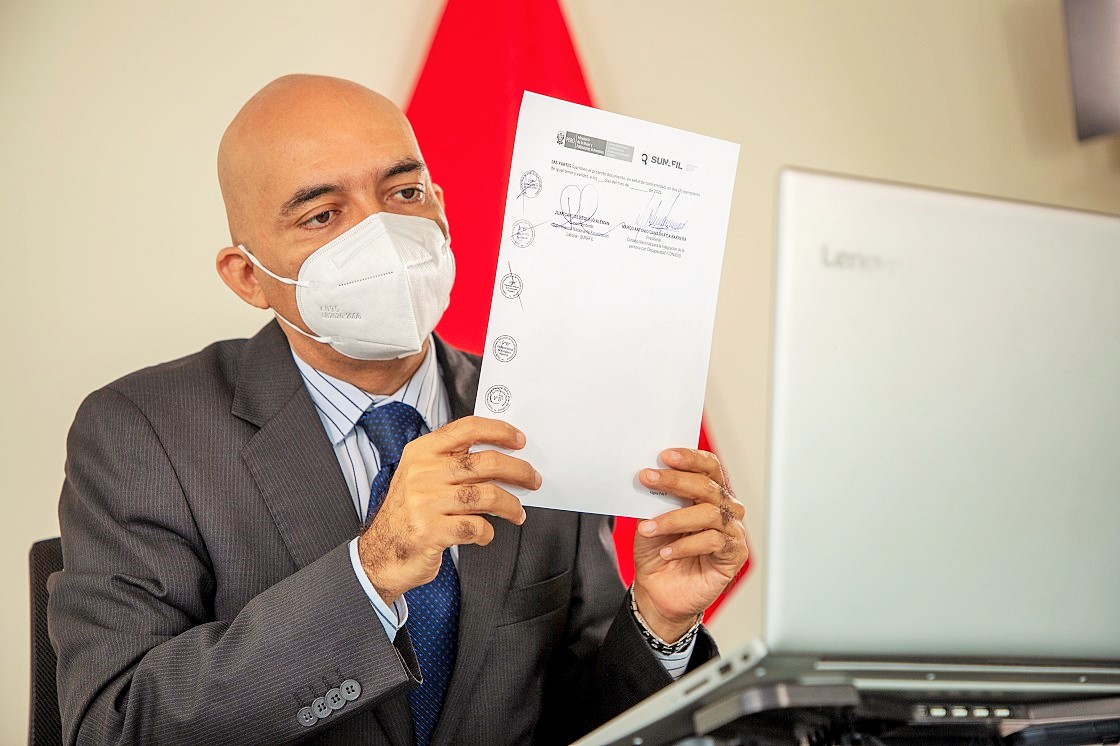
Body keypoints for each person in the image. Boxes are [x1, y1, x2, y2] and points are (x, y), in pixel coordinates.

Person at [48, 74, 749, 746]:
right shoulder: (143, 435)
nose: (381, 234)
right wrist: (371, 570)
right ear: (248, 277)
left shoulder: (544, 409)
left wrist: (657, 621)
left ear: (441, 209)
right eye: (324, 214)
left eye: (404, 191)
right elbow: (115, 724)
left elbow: (575, 716)